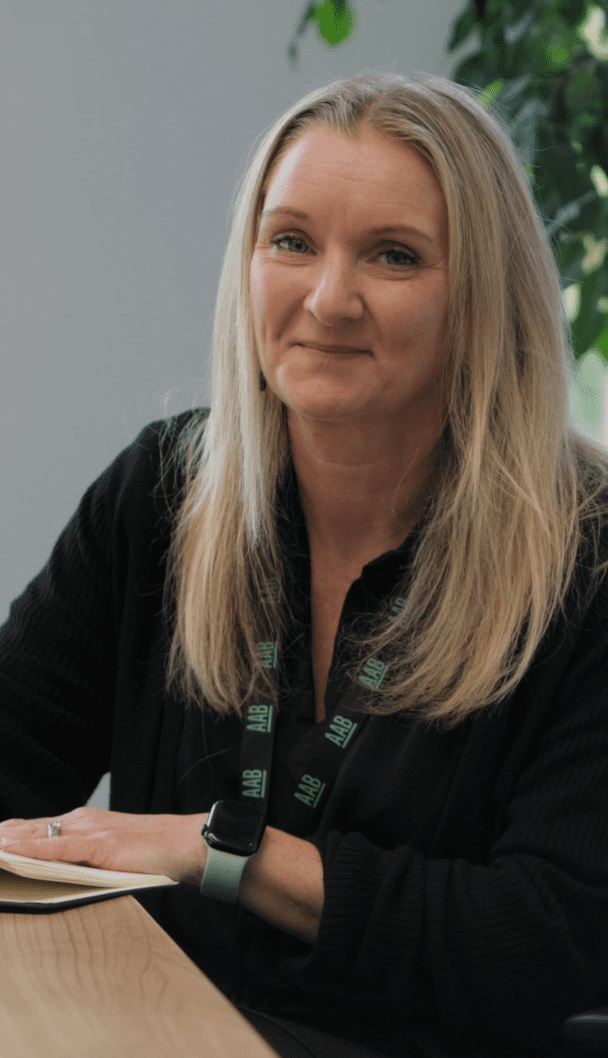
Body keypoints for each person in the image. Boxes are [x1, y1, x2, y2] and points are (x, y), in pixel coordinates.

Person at [0, 71, 608, 1058]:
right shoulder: (164, 491)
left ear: (482, 301)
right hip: (153, 1027)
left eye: (394, 255)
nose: (328, 299)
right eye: (290, 241)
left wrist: (218, 853)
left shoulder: (588, 557)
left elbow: (545, 937)